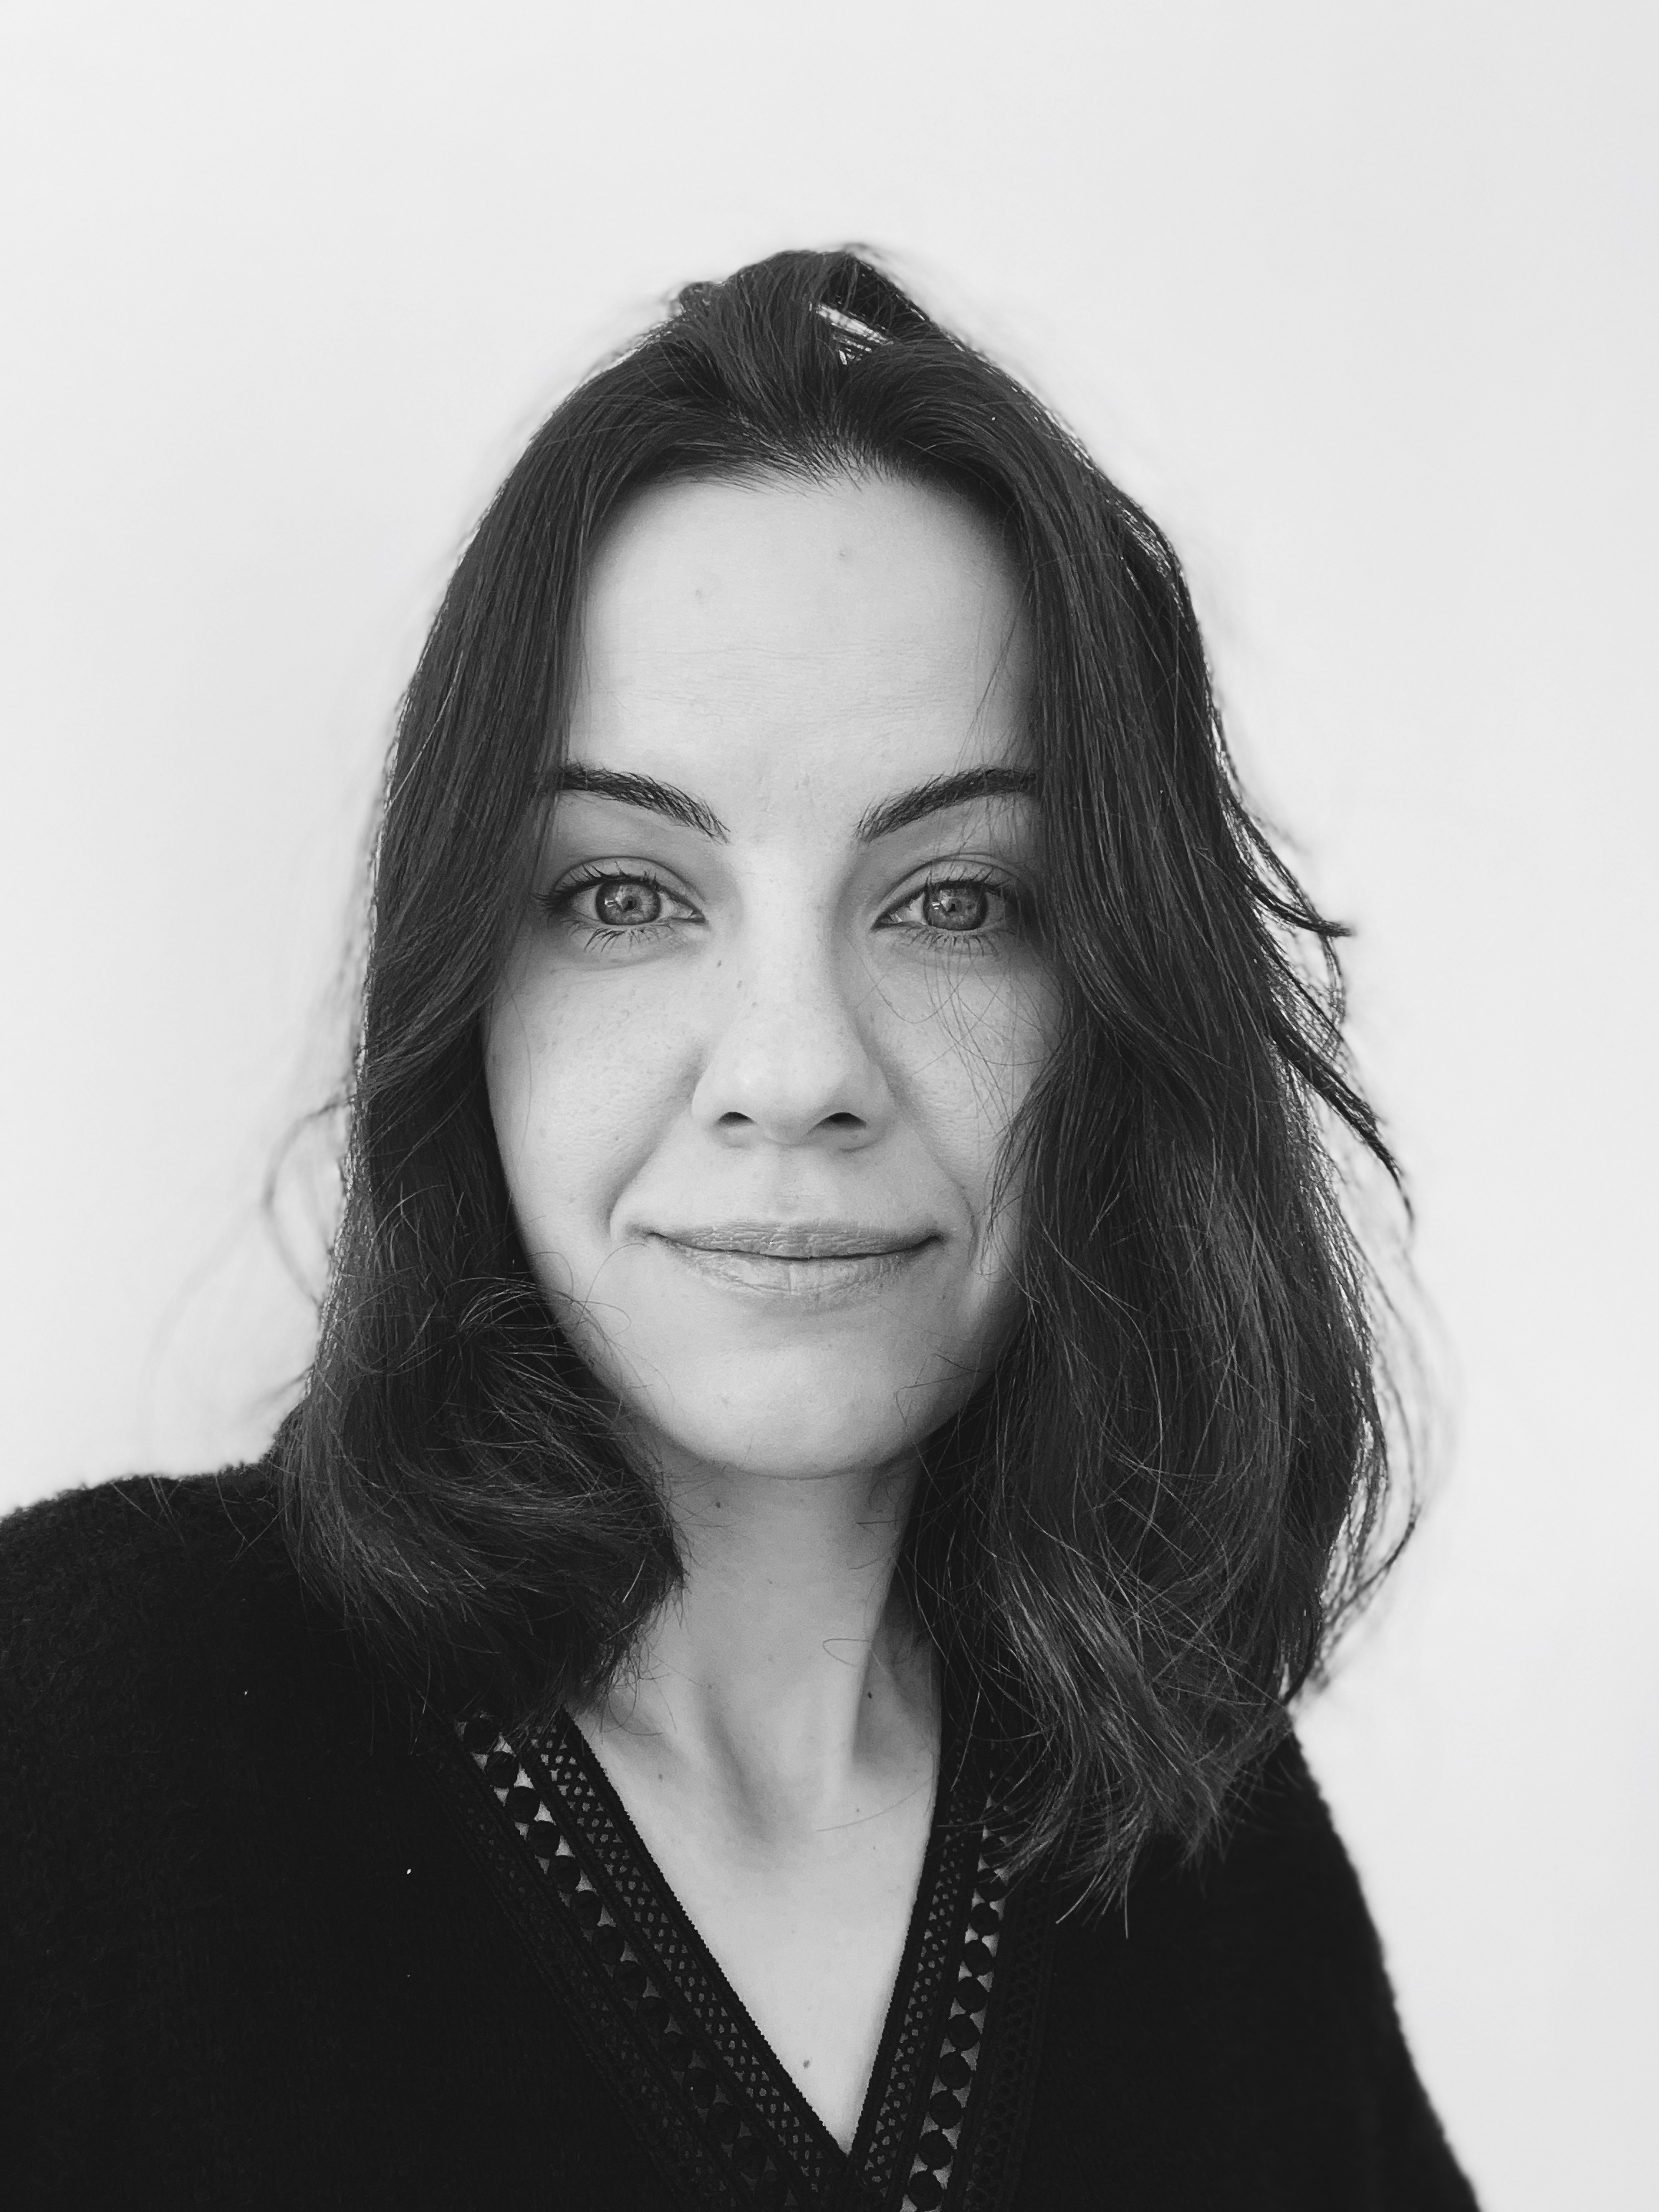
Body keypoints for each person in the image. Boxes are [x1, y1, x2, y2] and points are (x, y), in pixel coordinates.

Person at [0, 249, 1478, 2208]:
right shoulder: (74, 1740)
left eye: (959, 901)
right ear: (465, 987)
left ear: (1120, 1003)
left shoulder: (1195, 1835)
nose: (794, 1071)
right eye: (625, 894)